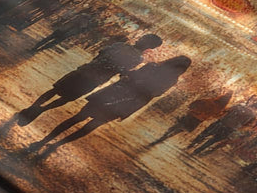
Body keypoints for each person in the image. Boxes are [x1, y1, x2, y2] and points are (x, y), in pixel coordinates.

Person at [31, 55, 191, 155]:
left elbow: (150, 88)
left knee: (83, 121)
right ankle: (50, 142)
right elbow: (153, 91)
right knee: (84, 122)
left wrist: (132, 79)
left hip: (119, 98)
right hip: (122, 100)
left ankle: (50, 142)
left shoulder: (158, 71)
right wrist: (133, 79)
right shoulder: (163, 74)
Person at [17, 33, 162, 125]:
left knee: (61, 94)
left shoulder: (131, 53)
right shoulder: (132, 54)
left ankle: (37, 109)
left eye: (146, 40)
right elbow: (119, 68)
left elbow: (102, 56)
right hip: (92, 76)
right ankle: (36, 109)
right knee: (59, 92)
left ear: (149, 46)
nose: (141, 39)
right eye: (144, 37)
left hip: (90, 74)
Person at [148, 91, 232, 148]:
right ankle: (166, 137)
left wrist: (191, 108)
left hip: (191, 116)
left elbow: (195, 103)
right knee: (180, 130)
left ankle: (163, 136)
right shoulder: (219, 109)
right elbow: (216, 116)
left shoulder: (209, 101)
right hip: (197, 121)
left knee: (175, 126)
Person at [188, 98, 257, 156]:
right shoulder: (253, 116)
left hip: (221, 123)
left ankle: (191, 145)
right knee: (212, 141)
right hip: (230, 129)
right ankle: (196, 151)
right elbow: (248, 125)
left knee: (205, 133)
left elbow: (226, 110)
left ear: (251, 104)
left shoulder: (239, 106)